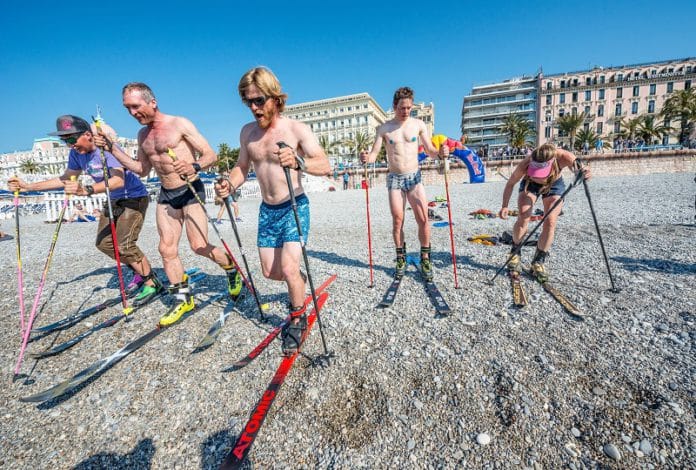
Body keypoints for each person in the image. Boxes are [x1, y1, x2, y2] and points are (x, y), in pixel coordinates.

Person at [100, 83, 242, 326]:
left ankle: (231, 269)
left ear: (152, 102)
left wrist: (194, 166)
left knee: (198, 246)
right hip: (167, 194)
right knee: (166, 249)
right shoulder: (142, 135)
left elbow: (211, 155)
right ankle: (183, 299)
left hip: (190, 190)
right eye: (128, 109)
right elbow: (142, 169)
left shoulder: (179, 124)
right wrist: (112, 148)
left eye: (136, 106)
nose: (133, 113)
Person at [214, 66, 330, 355]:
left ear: (276, 99)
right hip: (267, 211)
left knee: (288, 268)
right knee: (270, 272)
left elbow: (325, 164)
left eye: (259, 100)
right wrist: (229, 184)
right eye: (248, 102)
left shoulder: (296, 129)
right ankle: (297, 280)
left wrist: (299, 162)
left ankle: (297, 317)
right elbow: (242, 168)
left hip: (294, 206)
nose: (254, 108)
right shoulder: (247, 133)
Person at [8, 115, 162, 305]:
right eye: (64, 140)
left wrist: (86, 190)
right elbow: (65, 178)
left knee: (124, 245)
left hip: (133, 198)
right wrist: (28, 187)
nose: (70, 144)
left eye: (72, 138)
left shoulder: (106, 149)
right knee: (104, 244)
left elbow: (118, 181)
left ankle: (152, 281)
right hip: (114, 199)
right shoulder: (76, 154)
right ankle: (139, 271)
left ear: (88, 135)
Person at [360, 86, 444, 280]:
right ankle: (400, 258)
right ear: (394, 106)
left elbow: (430, 150)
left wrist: (440, 153)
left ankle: (425, 258)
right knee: (398, 220)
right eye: (401, 108)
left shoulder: (418, 125)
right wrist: (365, 158)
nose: (405, 111)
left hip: (414, 177)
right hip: (395, 179)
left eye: (408, 108)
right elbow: (373, 155)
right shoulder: (384, 129)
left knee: (423, 219)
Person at [497, 143, 591, 281]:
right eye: (535, 171)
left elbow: (579, 169)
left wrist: (584, 172)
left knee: (550, 221)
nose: (538, 177)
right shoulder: (525, 163)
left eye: (540, 173)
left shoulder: (564, 157)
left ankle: (538, 261)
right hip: (530, 185)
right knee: (523, 216)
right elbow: (510, 183)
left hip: (554, 184)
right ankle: (515, 253)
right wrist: (504, 206)